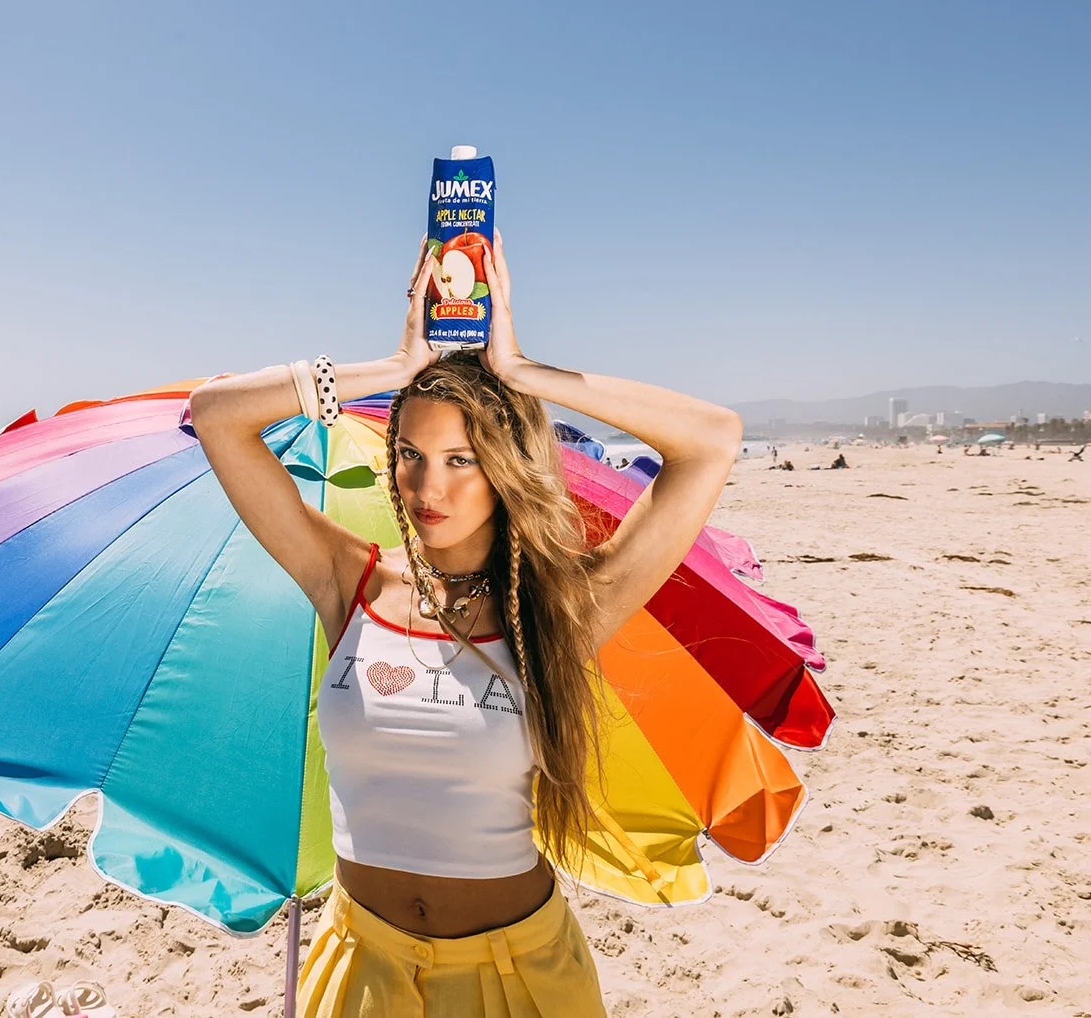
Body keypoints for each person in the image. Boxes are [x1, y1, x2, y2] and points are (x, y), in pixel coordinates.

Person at [189, 233, 740, 1016]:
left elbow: (712, 440)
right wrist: (390, 370)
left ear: (505, 466)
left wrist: (522, 373)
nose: (425, 484)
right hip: (361, 965)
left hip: (515, 978)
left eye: (461, 459)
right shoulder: (351, 580)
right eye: (409, 452)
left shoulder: (557, 609)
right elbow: (216, 416)